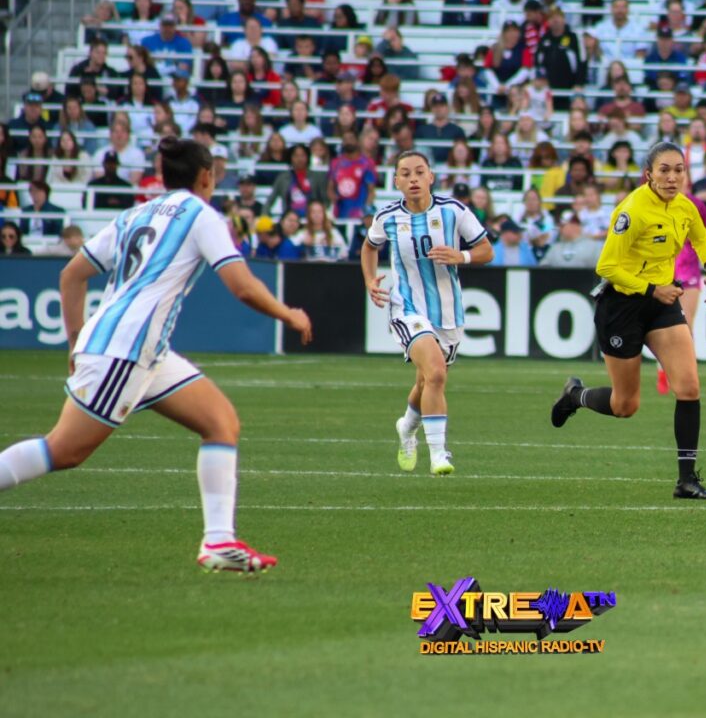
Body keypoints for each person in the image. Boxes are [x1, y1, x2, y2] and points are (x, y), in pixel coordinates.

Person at [0, 137, 313, 572]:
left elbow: (72, 274)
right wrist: (289, 314)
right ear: (208, 177)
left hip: (143, 352)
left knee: (221, 422)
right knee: (64, 451)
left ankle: (218, 542)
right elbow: (242, 286)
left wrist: (76, 344)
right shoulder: (202, 215)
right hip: (125, 352)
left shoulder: (138, 212)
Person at [550, 142, 706, 500]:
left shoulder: (685, 206)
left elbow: (701, 235)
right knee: (624, 405)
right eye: (665, 170)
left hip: (661, 305)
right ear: (649, 174)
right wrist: (651, 291)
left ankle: (687, 480)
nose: (673, 177)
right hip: (622, 306)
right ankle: (575, 396)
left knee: (689, 387)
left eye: (679, 169)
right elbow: (606, 267)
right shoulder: (632, 210)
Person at [361, 152, 494, 476]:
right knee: (436, 373)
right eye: (405, 174)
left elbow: (486, 251)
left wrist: (460, 255)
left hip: (448, 313)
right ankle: (439, 454)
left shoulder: (454, 211)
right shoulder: (387, 217)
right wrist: (369, 280)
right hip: (407, 306)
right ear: (396, 181)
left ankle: (407, 426)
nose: (413, 179)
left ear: (431, 177)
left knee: (426, 381)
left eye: (419, 172)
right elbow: (369, 247)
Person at [657, 167, 706, 395]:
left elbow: (704, 238)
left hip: (688, 271)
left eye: (682, 174)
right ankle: (663, 373)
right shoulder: (654, 203)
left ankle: (686, 374)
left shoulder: (696, 205)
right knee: (661, 327)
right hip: (663, 272)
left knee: (685, 327)